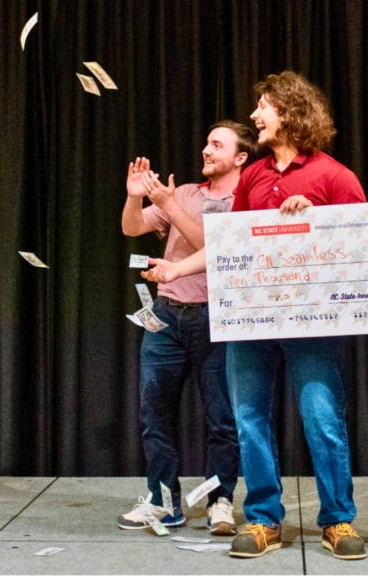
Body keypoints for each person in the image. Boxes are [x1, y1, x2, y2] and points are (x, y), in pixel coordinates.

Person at [142, 72, 368, 561]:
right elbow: (230, 246)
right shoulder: (254, 177)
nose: (254, 115)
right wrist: (177, 266)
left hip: (311, 325)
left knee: (321, 417)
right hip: (250, 319)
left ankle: (339, 518)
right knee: (249, 419)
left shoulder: (335, 176)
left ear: (288, 112)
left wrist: (314, 219)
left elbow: (361, 248)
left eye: (263, 106)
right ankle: (264, 518)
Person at [117, 120, 257, 535]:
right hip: (166, 315)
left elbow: (216, 249)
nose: (206, 150)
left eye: (217, 144)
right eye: (206, 142)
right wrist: (134, 198)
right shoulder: (184, 193)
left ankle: (220, 501)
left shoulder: (243, 200)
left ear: (240, 157)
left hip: (217, 317)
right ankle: (163, 502)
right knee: (153, 413)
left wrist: (170, 204)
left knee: (221, 418)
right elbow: (132, 227)